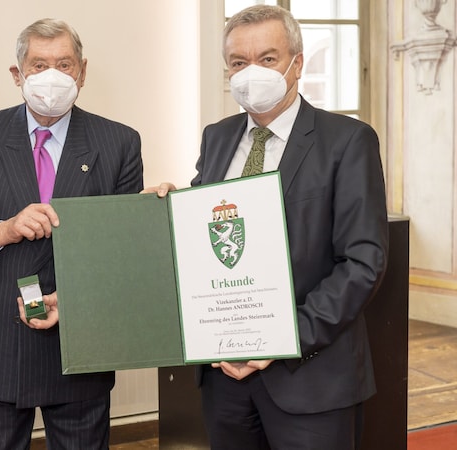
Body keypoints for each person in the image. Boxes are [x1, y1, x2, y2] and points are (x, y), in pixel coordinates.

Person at [145, 5, 388, 449]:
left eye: (268, 58)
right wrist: (164, 212)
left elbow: (362, 261)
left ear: (297, 63)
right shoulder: (216, 137)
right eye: (239, 62)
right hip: (225, 379)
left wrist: (282, 339)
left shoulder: (348, 140)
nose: (251, 72)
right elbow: (211, 241)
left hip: (311, 378)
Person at [0, 18, 143, 449]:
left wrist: (76, 301)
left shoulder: (119, 143)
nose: (52, 76)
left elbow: (122, 254)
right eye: (39, 64)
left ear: (82, 72)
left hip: (79, 347)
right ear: (17, 75)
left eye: (64, 64)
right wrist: (2, 230)